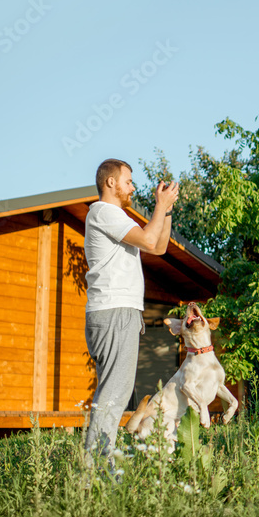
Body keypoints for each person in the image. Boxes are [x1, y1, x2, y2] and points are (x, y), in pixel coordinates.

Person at [83, 158, 179, 463]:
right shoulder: (104, 212)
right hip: (114, 311)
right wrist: (159, 206)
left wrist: (165, 210)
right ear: (110, 182)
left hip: (118, 312)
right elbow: (150, 239)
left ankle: (98, 465)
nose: (132, 188)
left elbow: (158, 245)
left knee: (116, 391)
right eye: (128, 182)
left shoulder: (117, 219)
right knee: (114, 393)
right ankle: (97, 468)